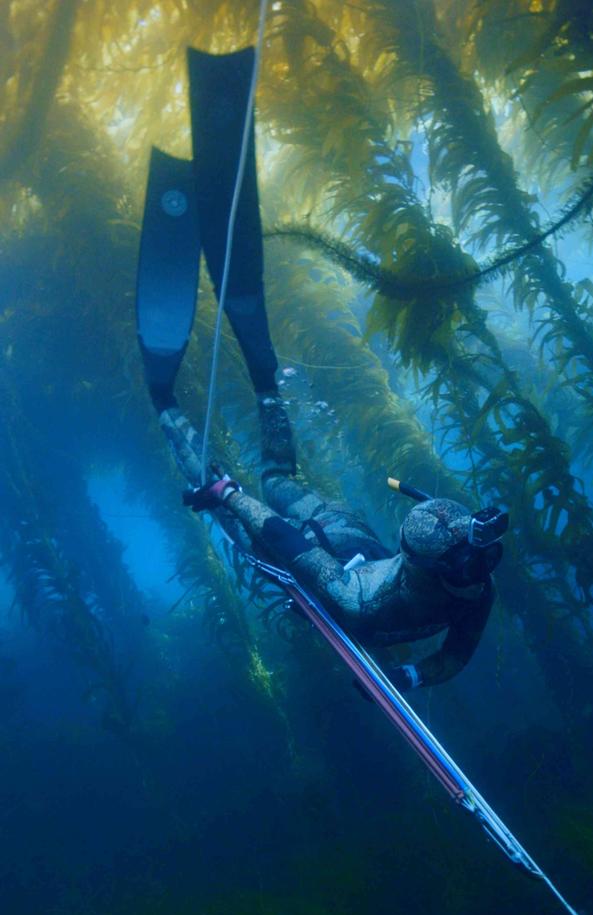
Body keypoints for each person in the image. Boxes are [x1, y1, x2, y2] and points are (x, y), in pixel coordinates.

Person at [136, 48, 505, 691]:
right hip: (350, 558)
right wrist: (414, 676)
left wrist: (227, 496)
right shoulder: (473, 592)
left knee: (256, 494)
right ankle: (202, 400)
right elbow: (452, 654)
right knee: (261, 491)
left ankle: (209, 403)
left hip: (347, 565)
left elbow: (284, 538)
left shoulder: (405, 595)